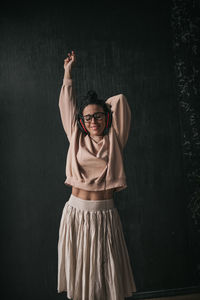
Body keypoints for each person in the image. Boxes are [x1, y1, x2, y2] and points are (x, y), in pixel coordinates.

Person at [57, 50, 137, 300]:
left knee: (105, 277)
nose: (93, 121)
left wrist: (100, 104)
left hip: (105, 215)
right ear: (82, 121)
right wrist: (67, 74)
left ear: (107, 117)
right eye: (88, 117)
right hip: (76, 214)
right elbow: (67, 105)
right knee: (82, 277)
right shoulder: (76, 138)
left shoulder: (115, 139)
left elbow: (121, 100)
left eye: (98, 116)